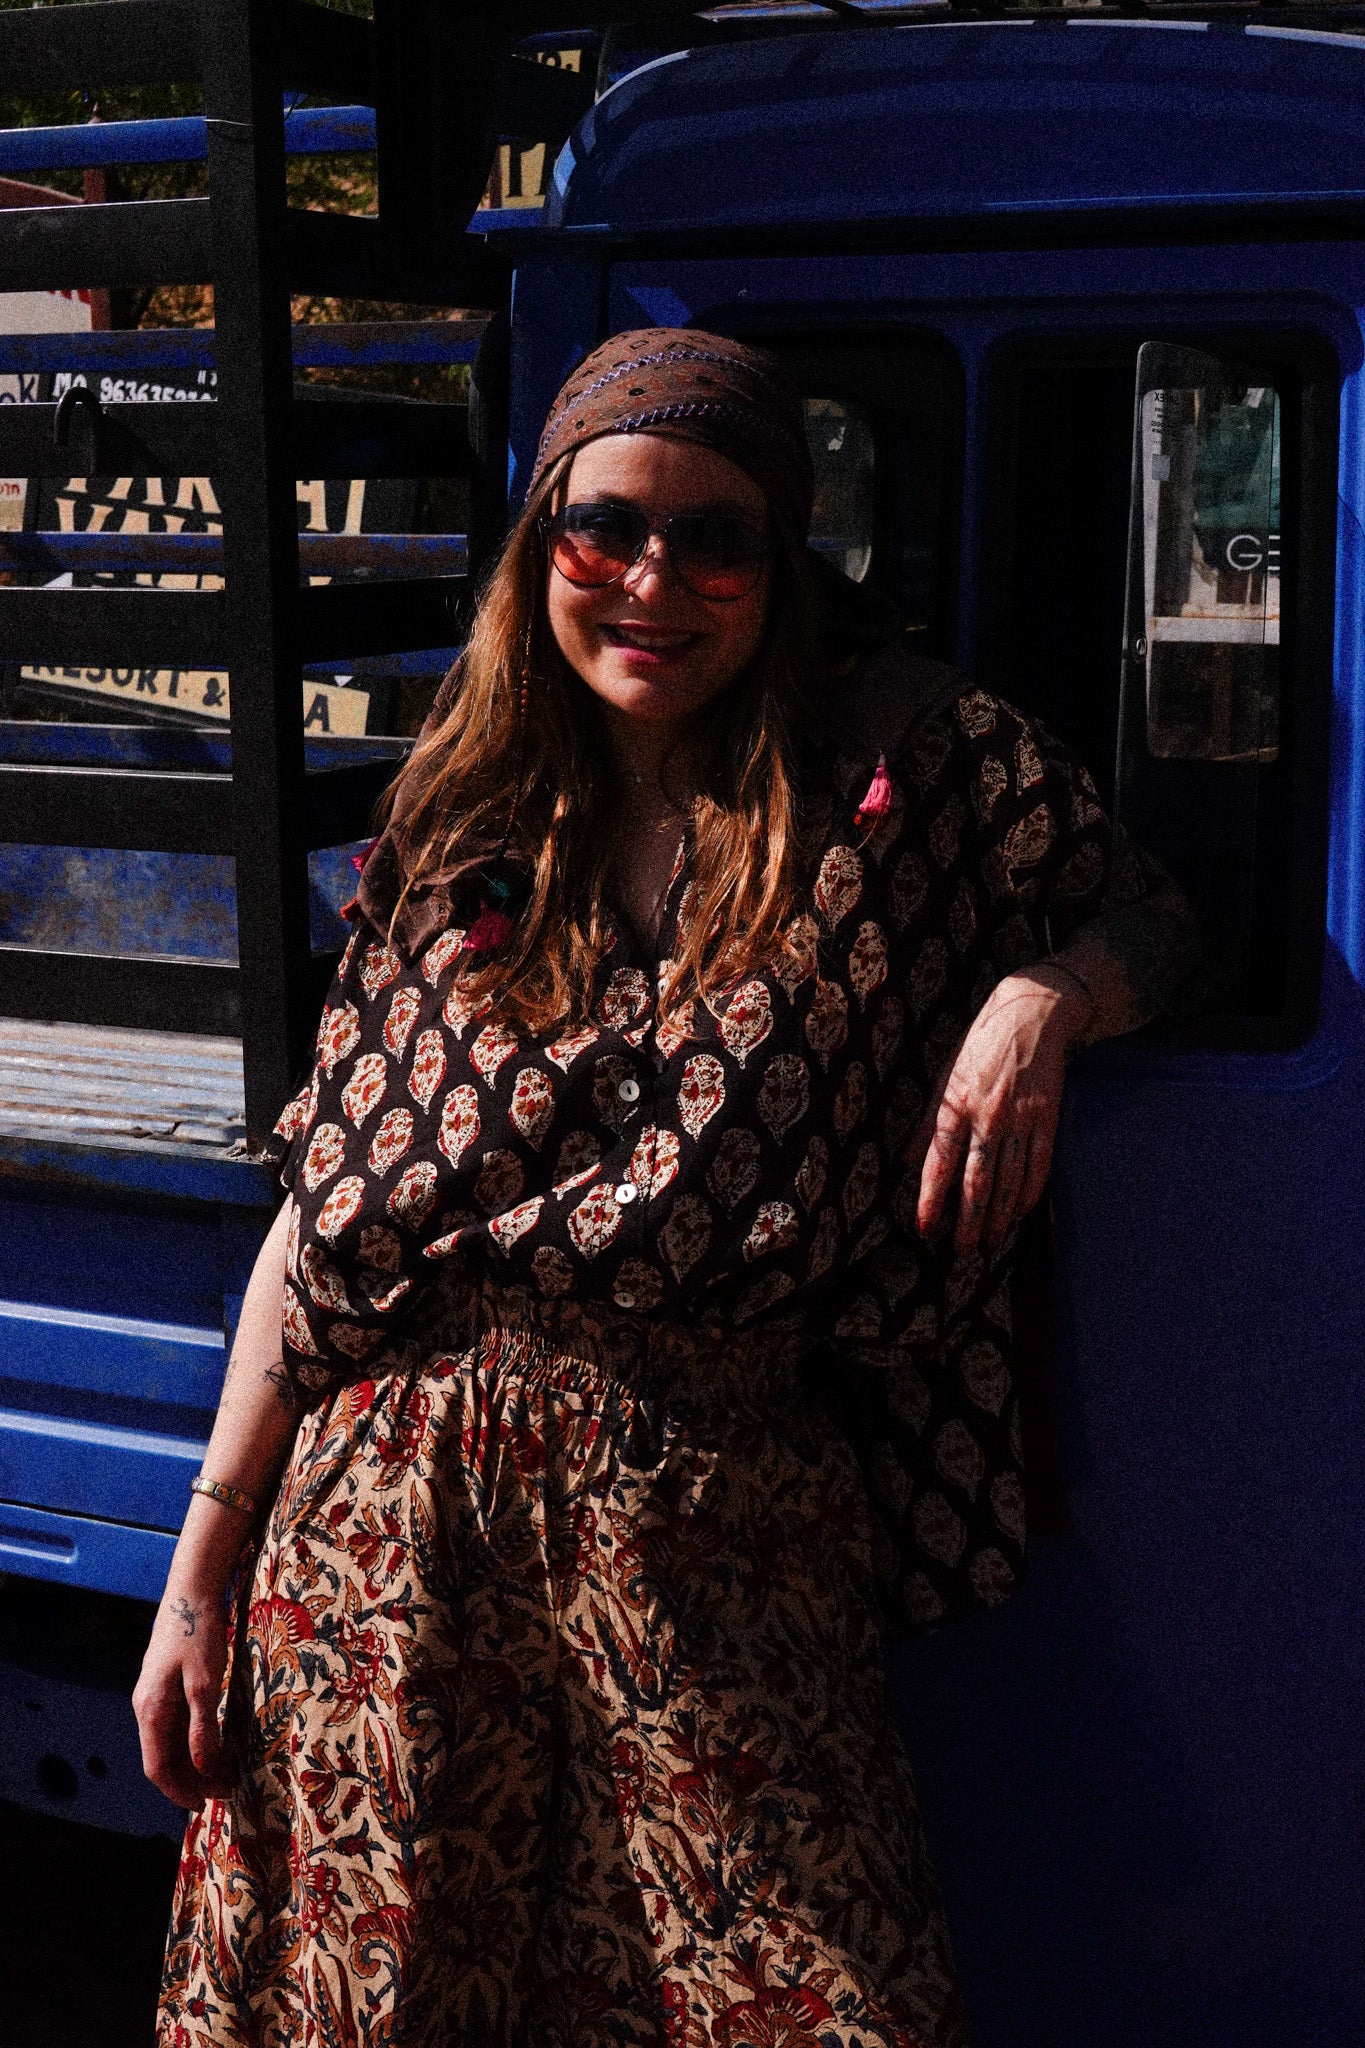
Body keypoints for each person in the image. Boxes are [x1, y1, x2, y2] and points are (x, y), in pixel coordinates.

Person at [138, 329, 1194, 2048]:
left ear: (781, 565)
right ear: (540, 543)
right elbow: (326, 1218)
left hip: (723, 1532)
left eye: (715, 540)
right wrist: (201, 1570)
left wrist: (1042, 999)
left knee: (830, 2004)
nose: (653, 581)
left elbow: (1151, 916)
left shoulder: (910, 770)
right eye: (606, 526)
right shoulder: (459, 814)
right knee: (378, 2002)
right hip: (388, 1541)